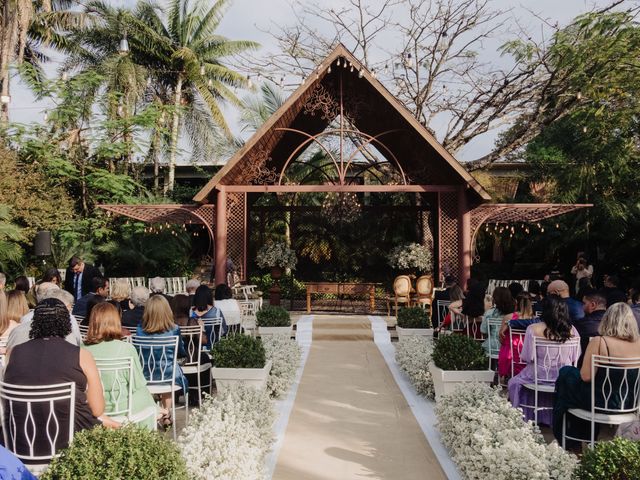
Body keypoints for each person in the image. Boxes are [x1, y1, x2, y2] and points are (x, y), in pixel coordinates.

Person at [4, 298, 119, 457]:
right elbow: (97, 409)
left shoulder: (14, 352)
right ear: (67, 323)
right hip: (67, 444)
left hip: (20, 441)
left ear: (35, 322)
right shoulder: (81, 355)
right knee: (108, 425)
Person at [553, 302, 640, 447]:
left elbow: (586, 377)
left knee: (566, 376)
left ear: (607, 320)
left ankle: (568, 439)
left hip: (601, 401)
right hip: (629, 402)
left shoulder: (600, 342)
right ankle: (582, 437)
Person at [508, 295, 581, 426]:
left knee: (514, 382)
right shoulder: (572, 330)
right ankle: (550, 417)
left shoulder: (533, 329)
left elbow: (527, 357)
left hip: (538, 375)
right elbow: (576, 356)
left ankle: (526, 415)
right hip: (562, 376)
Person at [84, 303, 158, 429]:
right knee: (145, 394)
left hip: (90, 404)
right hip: (122, 405)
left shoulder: (82, 349)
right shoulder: (127, 348)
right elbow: (137, 383)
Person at [135, 295, 188, 415]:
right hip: (169, 375)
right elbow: (180, 352)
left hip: (146, 374)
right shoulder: (174, 329)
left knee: (166, 368)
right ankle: (167, 413)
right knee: (170, 367)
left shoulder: (139, 330)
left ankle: (155, 410)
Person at [7, 286, 83, 351]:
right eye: (67, 310)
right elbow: (77, 344)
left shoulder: (22, 325)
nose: (69, 313)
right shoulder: (68, 329)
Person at [497, 293, 537, 378]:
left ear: (516, 302)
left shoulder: (509, 317)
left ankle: (507, 376)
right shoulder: (535, 320)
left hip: (511, 355)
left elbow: (501, 337)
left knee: (505, 345)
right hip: (528, 354)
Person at [575, 291, 607, 367]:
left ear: (592, 305)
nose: (582, 306)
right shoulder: (615, 324)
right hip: (608, 367)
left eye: (584, 303)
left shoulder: (581, 324)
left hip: (584, 366)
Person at [480, 287, 515, 357]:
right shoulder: (514, 315)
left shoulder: (489, 313)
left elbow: (483, 330)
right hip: (509, 348)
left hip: (491, 347)